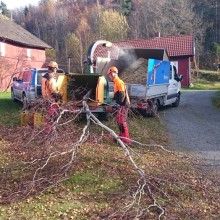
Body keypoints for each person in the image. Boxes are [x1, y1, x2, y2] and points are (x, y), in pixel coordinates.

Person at [107, 66, 131, 144]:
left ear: (113, 73)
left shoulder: (118, 81)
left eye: (110, 75)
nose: (109, 76)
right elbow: (117, 96)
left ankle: (126, 140)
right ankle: (121, 137)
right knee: (119, 121)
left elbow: (122, 94)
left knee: (122, 122)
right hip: (121, 104)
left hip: (123, 105)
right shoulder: (115, 82)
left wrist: (118, 104)